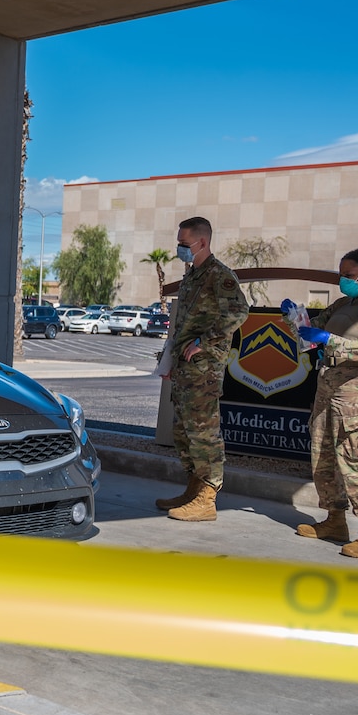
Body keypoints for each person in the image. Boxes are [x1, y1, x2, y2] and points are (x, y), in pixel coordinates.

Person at [287, 248, 358, 558]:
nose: (343, 280)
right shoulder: (342, 304)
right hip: (327, 395)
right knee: (324, 461)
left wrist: (329, 341)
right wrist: (295, 317)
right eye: (342, 275)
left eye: (349, 275)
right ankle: (335, 521)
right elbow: (312, 329)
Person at [154, 217, 248, 521]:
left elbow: (239, 312)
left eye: (184, 244)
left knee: (203, 432)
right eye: (179, 243)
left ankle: (207, 498)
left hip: (204, 370)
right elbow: (183, 323)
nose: (180, 248)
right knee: (183, 431)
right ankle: (193, 489)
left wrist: (205, 342)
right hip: (184, 368)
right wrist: (169, 359)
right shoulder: (192, 275)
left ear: (202, 242)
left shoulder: (219, 275)